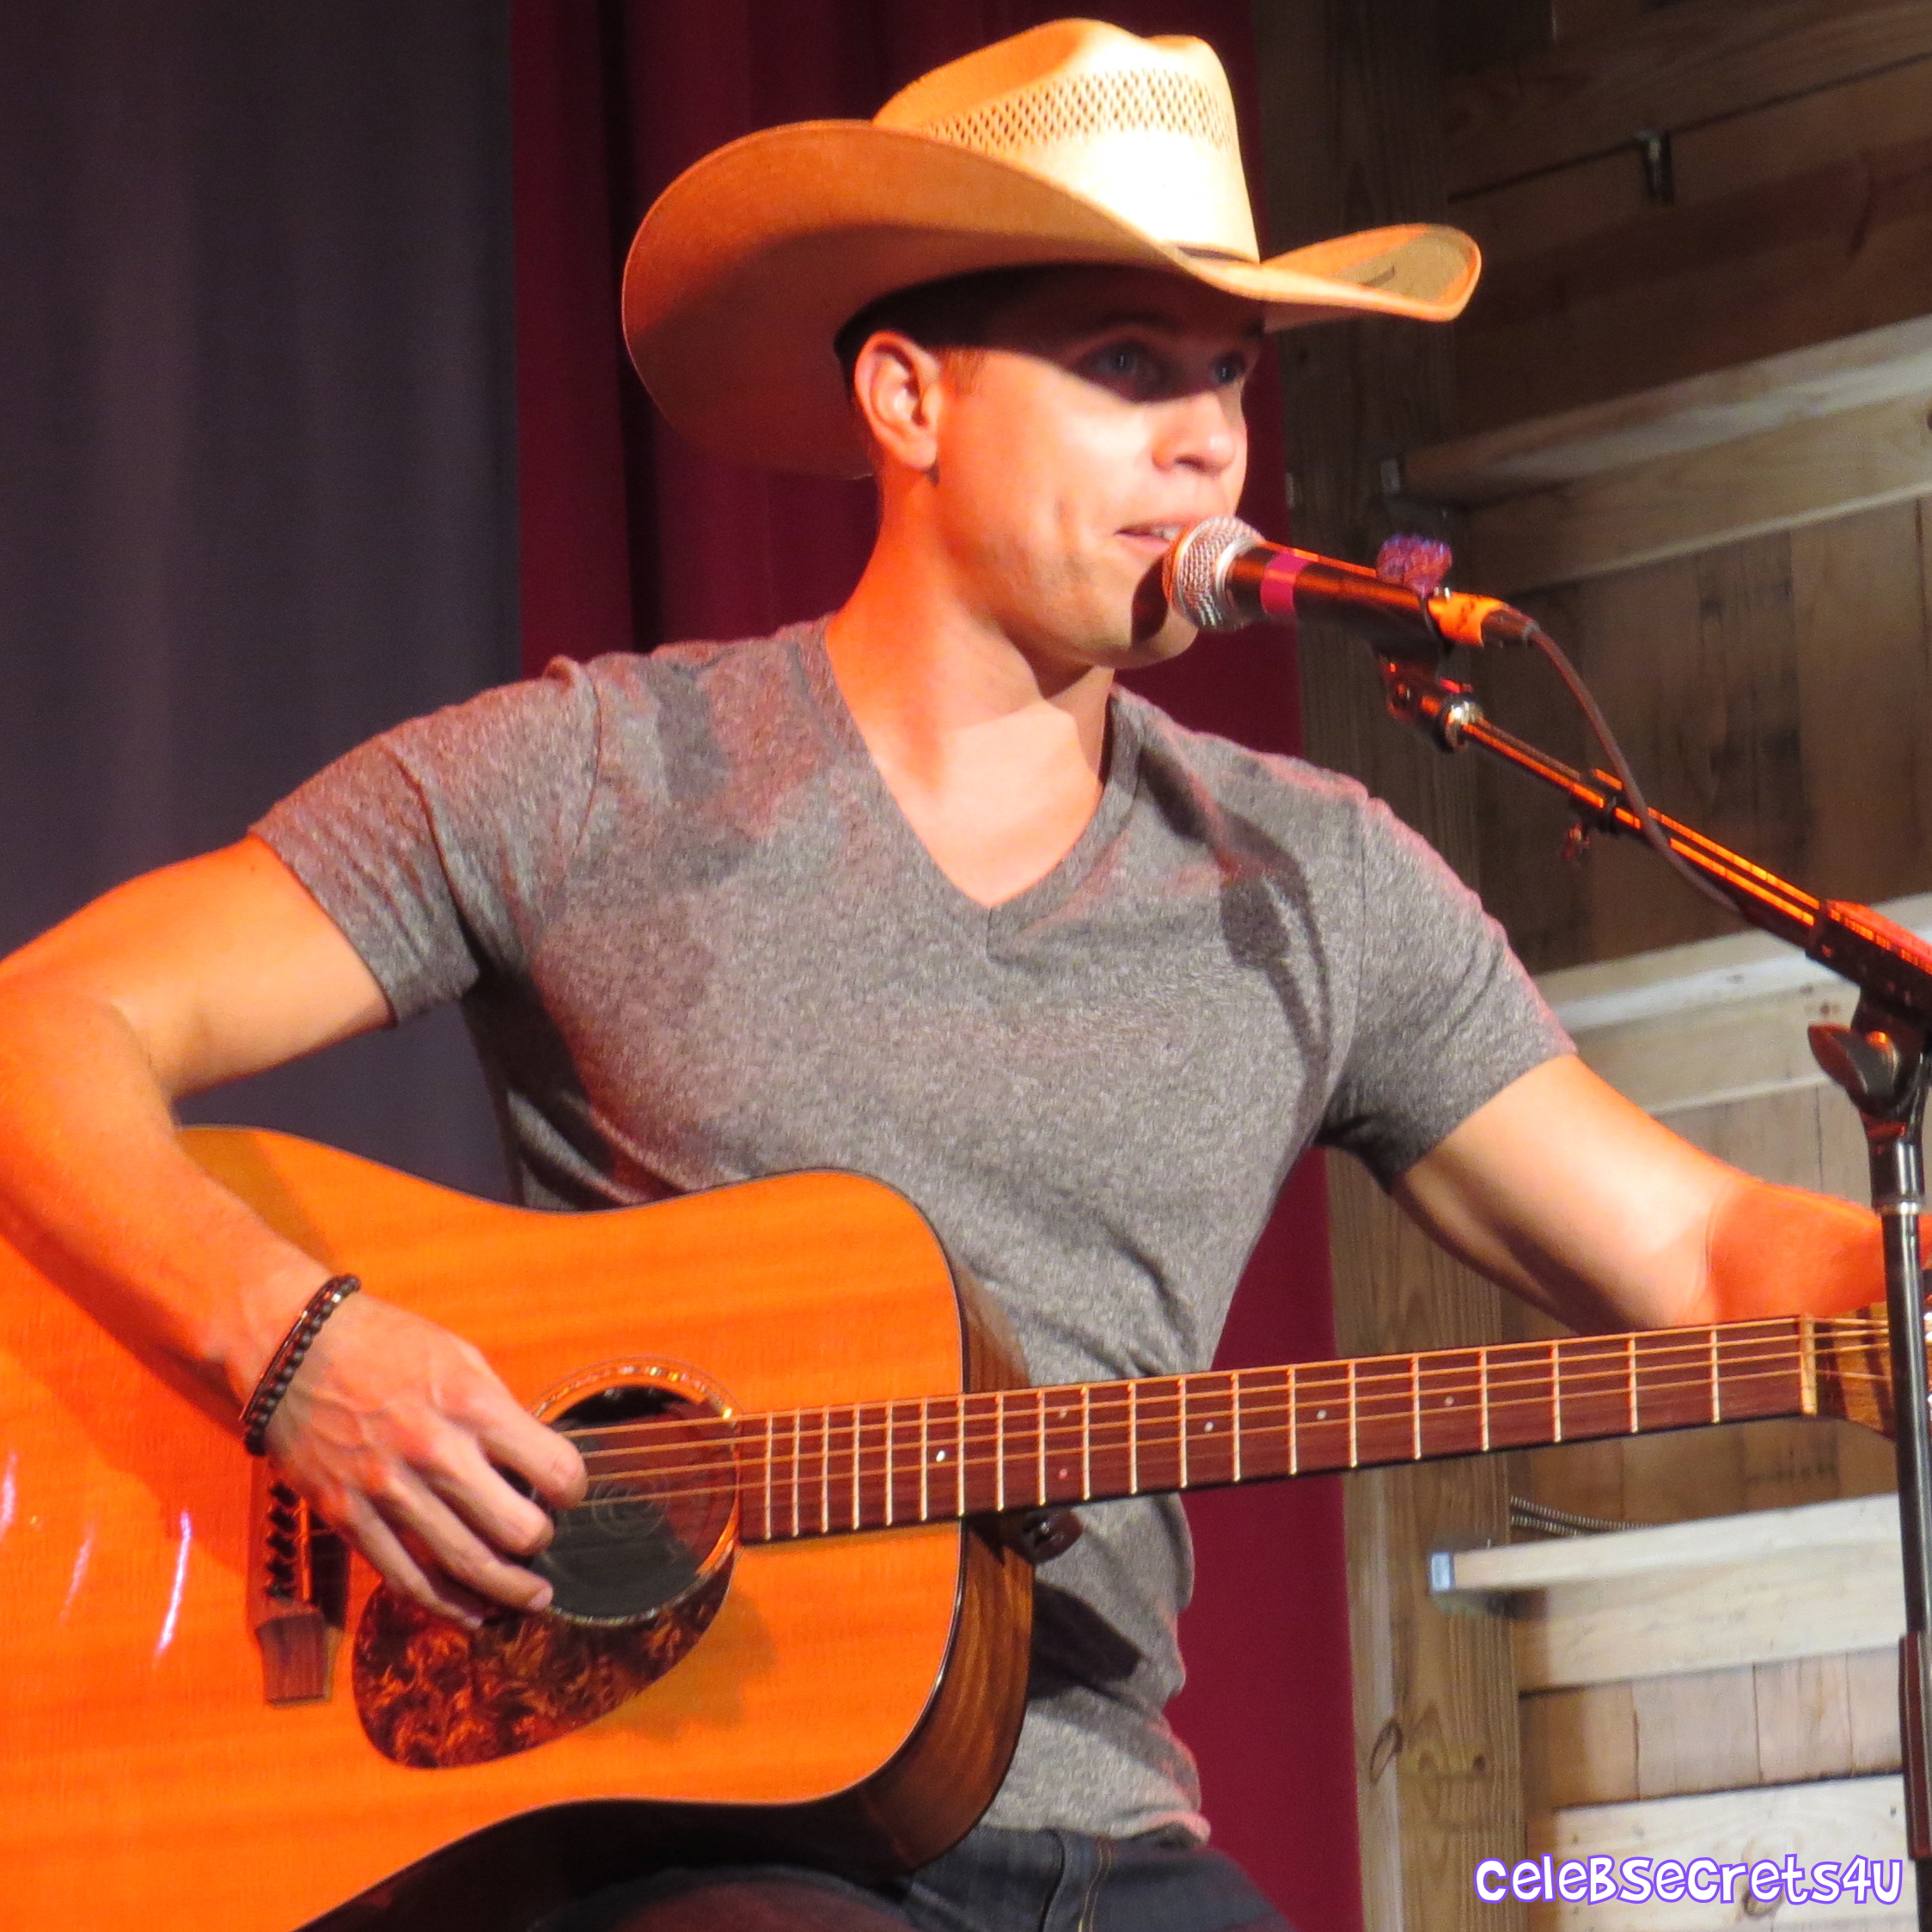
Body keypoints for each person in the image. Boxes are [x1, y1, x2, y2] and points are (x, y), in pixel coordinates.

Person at [0, 20, 1892, 1932]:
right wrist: (296, 1347)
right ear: (905, 398)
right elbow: (40, 1028)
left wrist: (1885, 1285)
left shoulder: (1315, 883)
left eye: (1226, 380)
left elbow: (1703, 1257)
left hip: (1114, 1848)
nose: (1205, 445)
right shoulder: (589, 775)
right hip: (675, 1840)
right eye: (1124, 367)